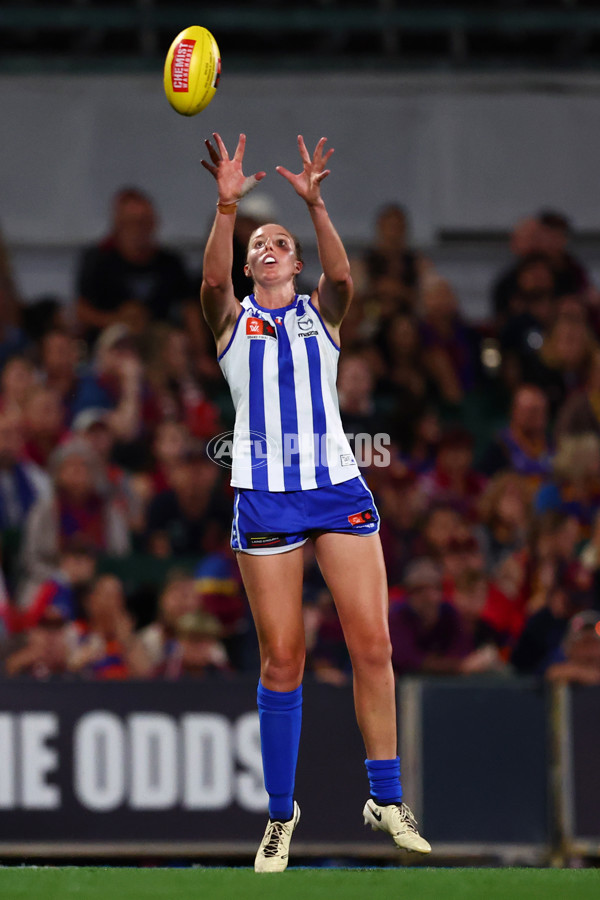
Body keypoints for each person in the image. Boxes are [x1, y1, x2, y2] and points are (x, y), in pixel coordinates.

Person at [200, 132, 430, 873]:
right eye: (257, 243)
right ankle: (279, 816)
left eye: (281, 241)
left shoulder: (318, 317)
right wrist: (229, 204)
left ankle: (385, 798)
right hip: (266, 498)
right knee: (283, 661)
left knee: (373, 644)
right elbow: (208, 289)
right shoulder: (234, 323)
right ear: (247, 263)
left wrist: (316, 204)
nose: (269, 247)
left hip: (334, 487)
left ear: (295, 264)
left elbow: (344, 278)